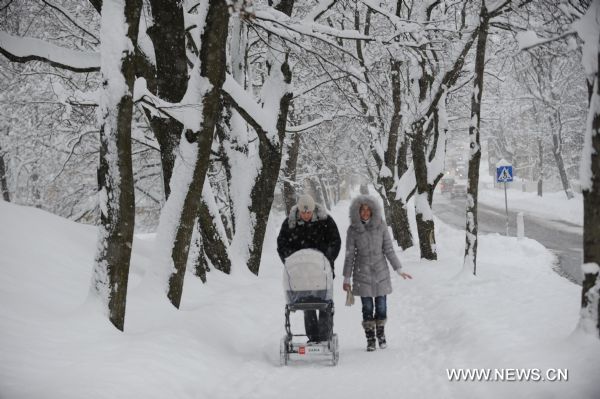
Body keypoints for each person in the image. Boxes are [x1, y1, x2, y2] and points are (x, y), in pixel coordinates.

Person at [342, 195, 412, 351]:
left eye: (368, 209)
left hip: (381, 273)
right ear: (357, 212)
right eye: (362, 210)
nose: (365, 212)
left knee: (381, 307)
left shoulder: (381, 226)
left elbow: (388, 250)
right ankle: (370, 339)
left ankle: (381, 335)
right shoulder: (353, 230)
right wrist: (346, 278)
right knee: (367, 308)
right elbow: (349, 255)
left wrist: (399, 269)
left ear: (373, 210)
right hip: (362, 274)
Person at [277, 194, 341, 343]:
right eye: (303, 212)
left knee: (324, 302)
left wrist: (328, 257)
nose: (305, 215)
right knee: (308, 303)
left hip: (322, 270)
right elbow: (282, 244)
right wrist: (290, 260)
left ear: (313, 210)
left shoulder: (325, 221)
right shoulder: (290, 223)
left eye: (308, 212)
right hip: (300, 272)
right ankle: (313, 337)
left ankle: (325, 336)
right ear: (298, 210)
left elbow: (335, 240)